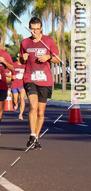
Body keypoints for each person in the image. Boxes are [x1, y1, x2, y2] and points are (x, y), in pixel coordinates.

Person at [20, 17, 60, 149]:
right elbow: (21, 60)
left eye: (37, 29)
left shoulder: (48, 41)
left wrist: (48, 57)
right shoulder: (25, 42)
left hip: (45, 80)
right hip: (30, 78)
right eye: (32, 29)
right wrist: (23, 58)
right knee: (33, 106)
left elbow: (57, 59)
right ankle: (32, 135)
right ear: (29, 28)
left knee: (41, 112)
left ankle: (36, 138)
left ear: (41, 28)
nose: (35, 32)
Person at [0, 41, 14, 135]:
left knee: (0, 110)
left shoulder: (4, 54)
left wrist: (4, 61)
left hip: (1, 85)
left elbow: (12, 68)